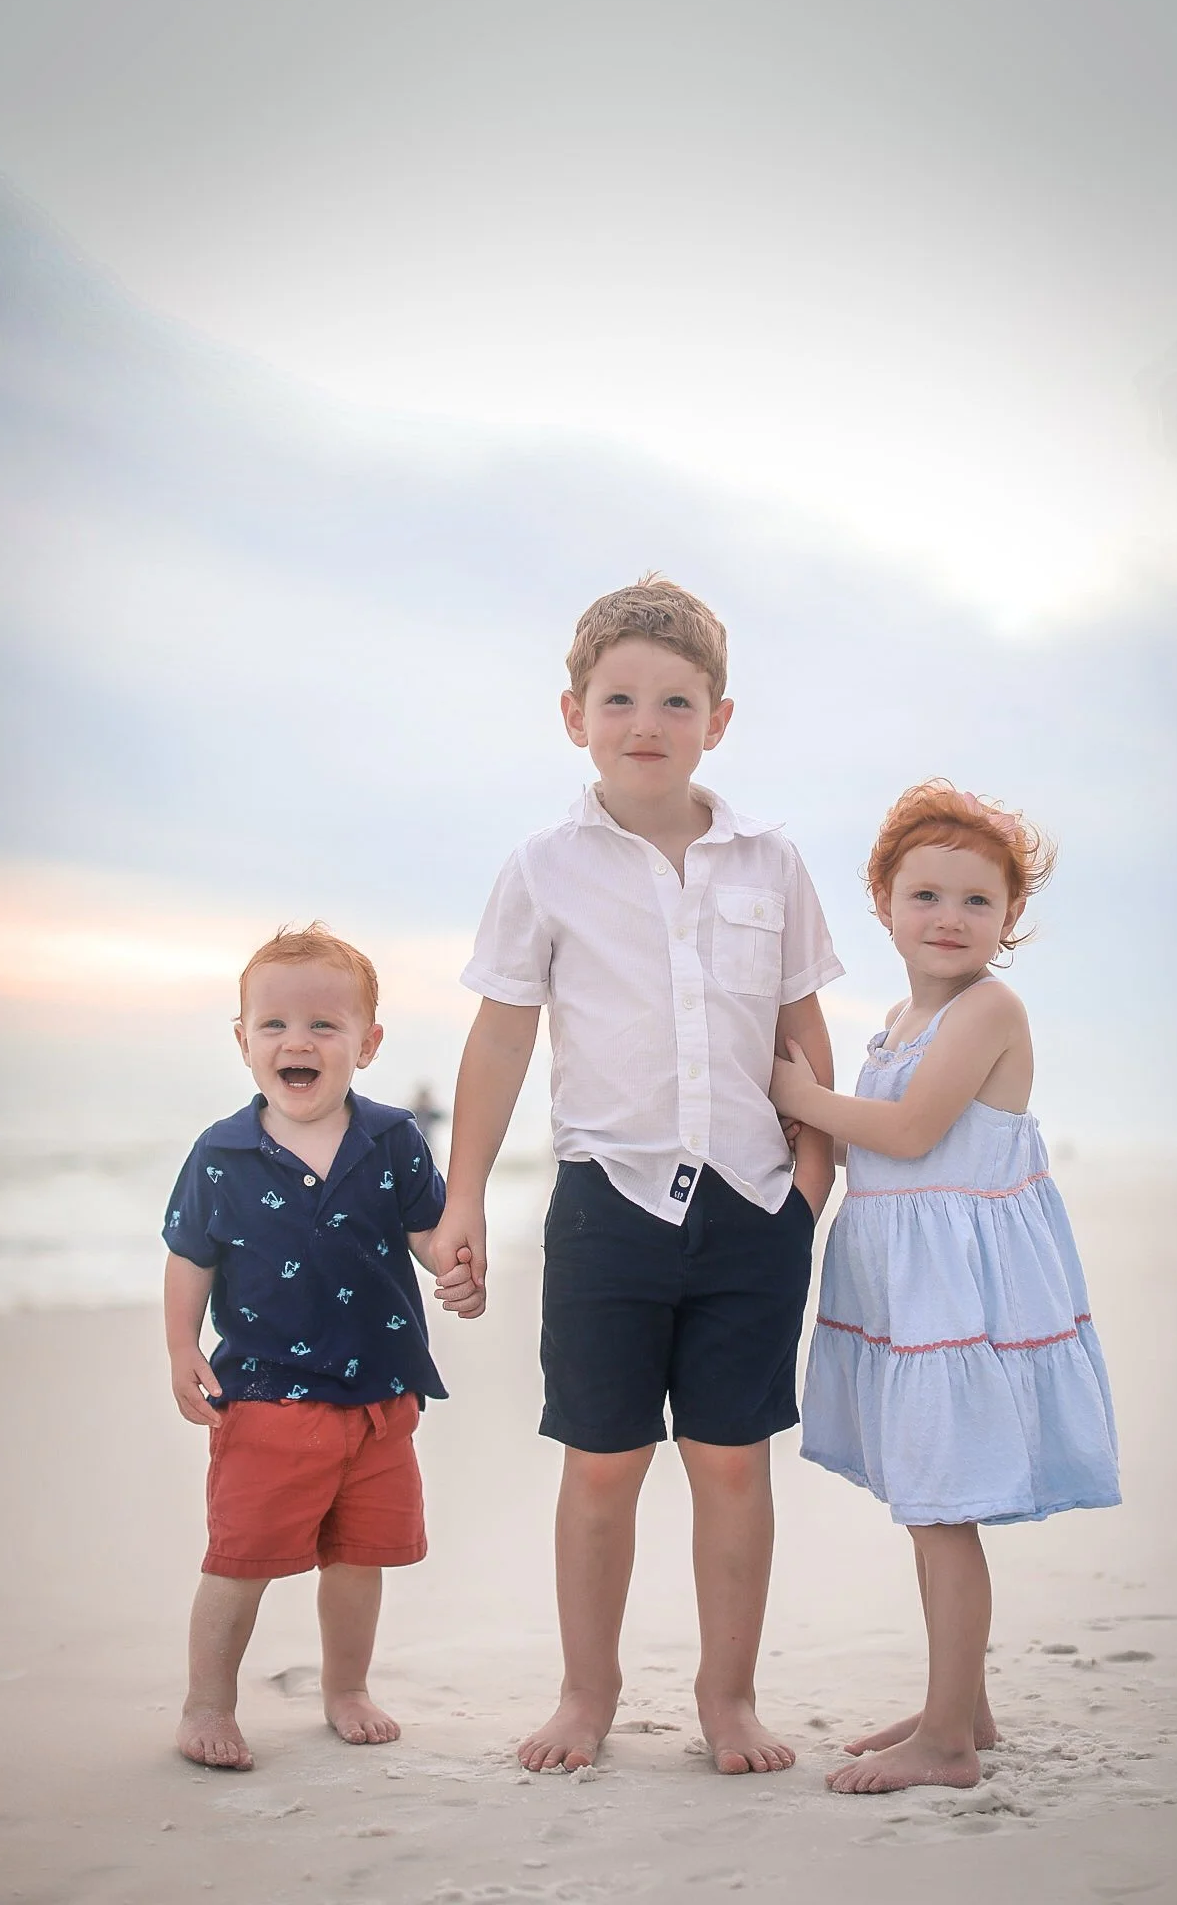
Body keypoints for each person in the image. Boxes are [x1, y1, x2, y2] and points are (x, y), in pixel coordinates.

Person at [431, 575, 844, 1776]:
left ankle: (727, 1701)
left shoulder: (769, 863)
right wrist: (461, 1200)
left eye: (675, 699)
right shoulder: (543, 866)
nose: (644, 721)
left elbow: (800, 1029)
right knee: (601, 1464)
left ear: (718, 718)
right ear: (574, 715)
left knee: (730, 1461)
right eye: (618, 698)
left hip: (753, 1205)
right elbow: (502, 1035)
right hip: (607, 1204)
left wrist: (808, 1188)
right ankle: (586, 1695)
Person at [770, 781, 1119, 1796]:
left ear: (1008, 918)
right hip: (906, 1289)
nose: (948, 919)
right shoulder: (896, 1015)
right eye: (924, 896)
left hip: (958, 1301)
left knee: (939, 1506)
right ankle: (959, 1706)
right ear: (882, 904)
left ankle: (950, 1745)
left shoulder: (986, 1008)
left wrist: (803, 1099)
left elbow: (916, 1133)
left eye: (976, 901)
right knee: (926, 1501)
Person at [163, 923, 481, 1772]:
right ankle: (207, 1703)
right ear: (243, 1041)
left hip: (380, 1395)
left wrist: (458, 1268)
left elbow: (427, 1231)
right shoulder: (222, 1153)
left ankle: (346, 1688)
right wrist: (180, 1348)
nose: (296, 1041)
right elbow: (190, 1256)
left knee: (359, 1559)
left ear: (366, 1045)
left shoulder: (390, 1139)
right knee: (241, 1561)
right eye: (272, 1025)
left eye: (323, 1026)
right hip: (265, 1396)